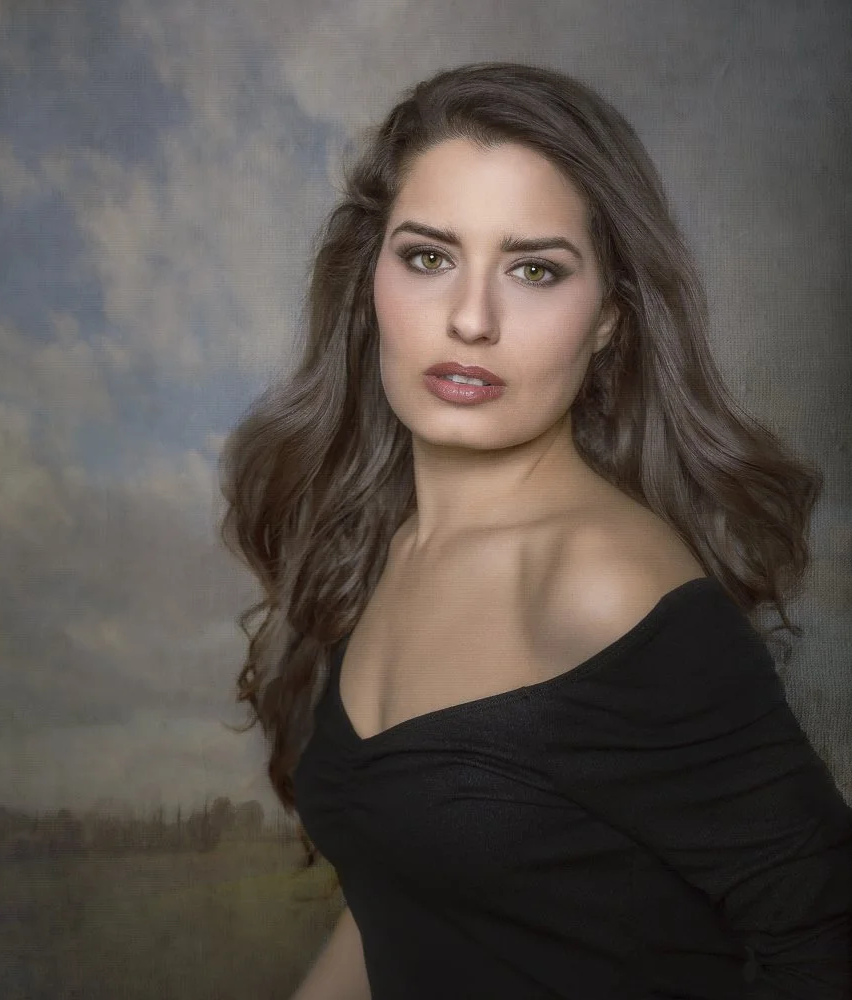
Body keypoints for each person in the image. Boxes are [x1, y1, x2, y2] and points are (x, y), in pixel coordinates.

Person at [218, 62, 852, 999]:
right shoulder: (378, 544)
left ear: (608, 322)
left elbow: (824, 940)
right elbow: (404, 894)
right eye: (428, 257)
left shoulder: (604, 586)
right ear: (368, 280)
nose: (470, 319)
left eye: (534, 270)